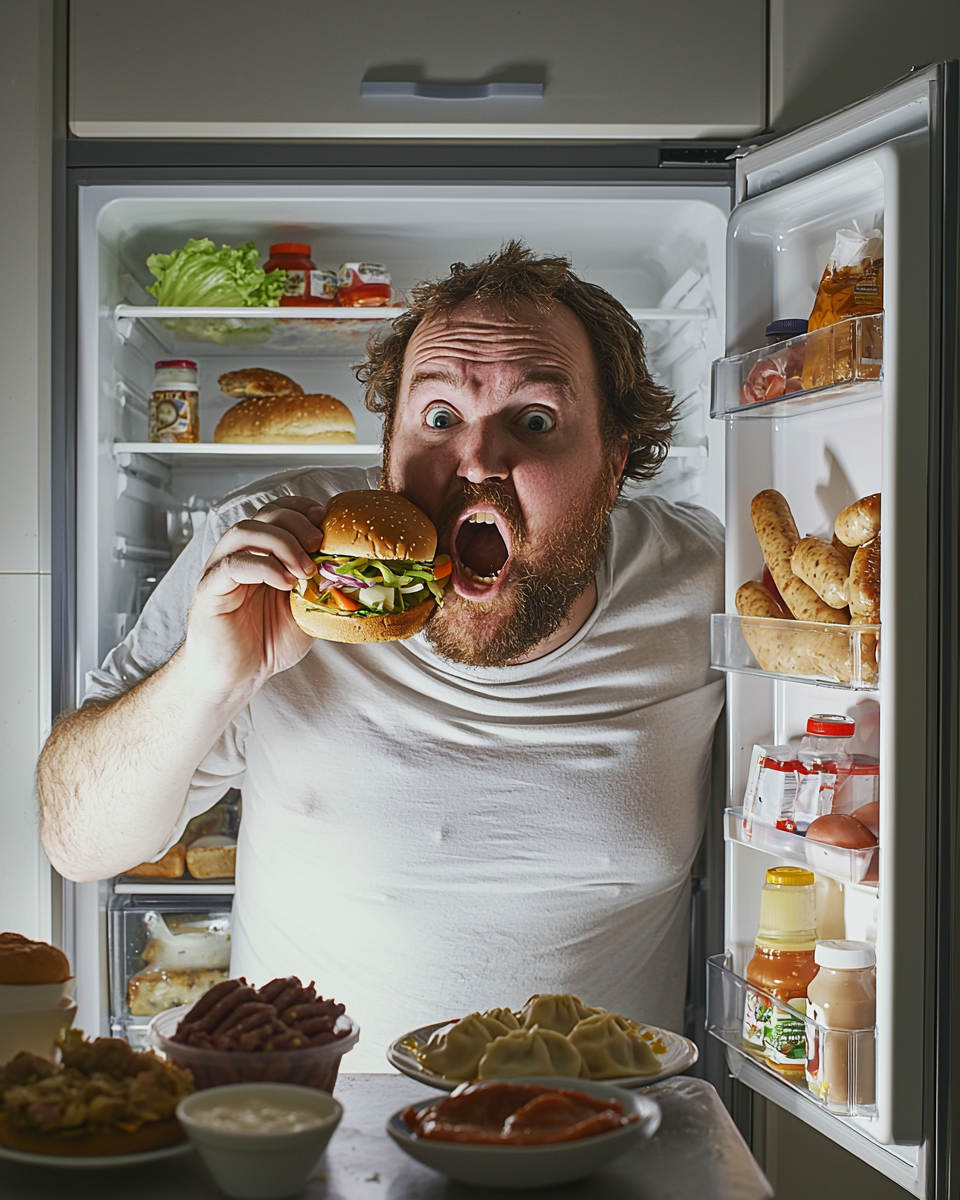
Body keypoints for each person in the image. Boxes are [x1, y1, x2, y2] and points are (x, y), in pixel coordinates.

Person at [38, 243, 724, 1070]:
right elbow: (77, 843)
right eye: (438, 418)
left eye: (534, 420)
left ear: (615, 463)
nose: (476, 460)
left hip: (601, 1141)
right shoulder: (265, 557)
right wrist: (211, 679)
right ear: (387, 451)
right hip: (321, 1139)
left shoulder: (705, 583)